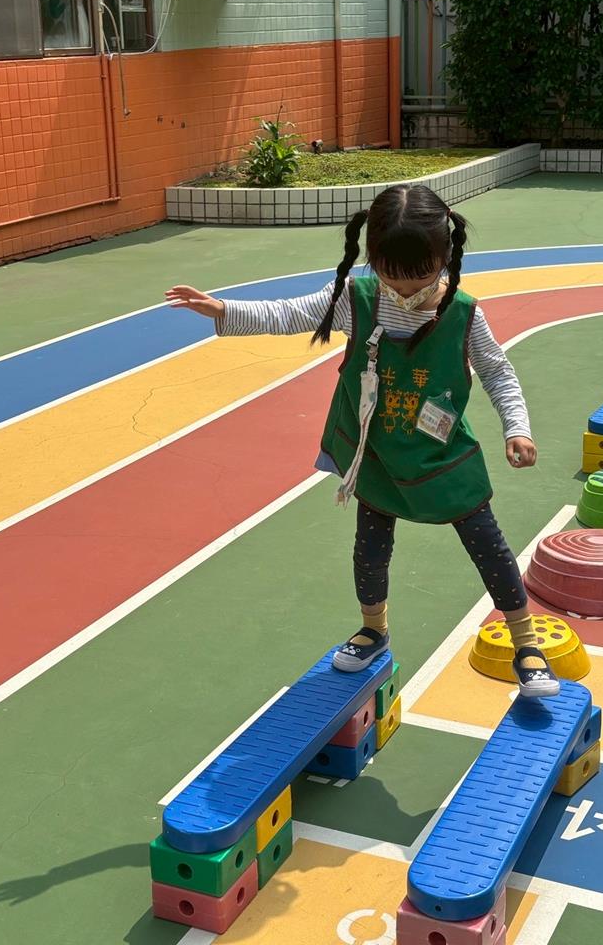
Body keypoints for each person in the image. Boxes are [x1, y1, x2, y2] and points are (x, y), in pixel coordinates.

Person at [166, 184, 559, 697]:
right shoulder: (358, 298)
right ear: (372, 258)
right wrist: (223, 310)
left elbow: (498, 373)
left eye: (419, 273)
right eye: (390, 272)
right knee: (370, 550)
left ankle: (526, 644)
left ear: (444, 256)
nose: (403, 286)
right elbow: (290, 314)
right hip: (375, 454)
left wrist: (517, 427)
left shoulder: (464, 314)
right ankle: (374, 629)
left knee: (488, 546)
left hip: (440, 457)